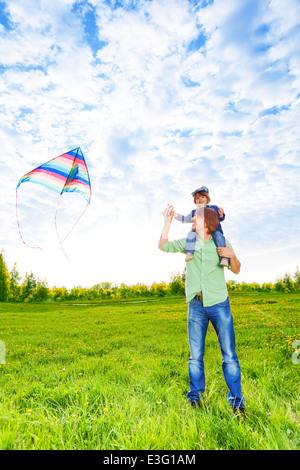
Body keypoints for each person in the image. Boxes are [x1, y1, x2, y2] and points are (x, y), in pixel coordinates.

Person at [159, 206, 246, 418]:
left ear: (206, 223)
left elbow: (237, 269)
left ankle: (237, 403)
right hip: (196, 306)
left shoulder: (221, 242)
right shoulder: (189, 242)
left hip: (219, 304)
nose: (192, 221)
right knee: (195, 357)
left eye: (196, 218)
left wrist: (231, 255)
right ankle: (196, 400)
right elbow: (162, 246)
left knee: (229, 357)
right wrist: (167, 222)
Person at [173, 186, 229, 267]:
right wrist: (175, 214)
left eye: (203, 197)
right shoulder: (194, 212)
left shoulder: (214, 208)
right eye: (197, 198)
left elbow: (220, 218)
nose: (200, 199)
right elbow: (184, 219)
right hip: (200, 232)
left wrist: (221, 214)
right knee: (191, 234)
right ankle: (189, 252)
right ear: (195, 202)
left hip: (214, 229)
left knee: (219, 236)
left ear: (208, 199)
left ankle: (224, 258)